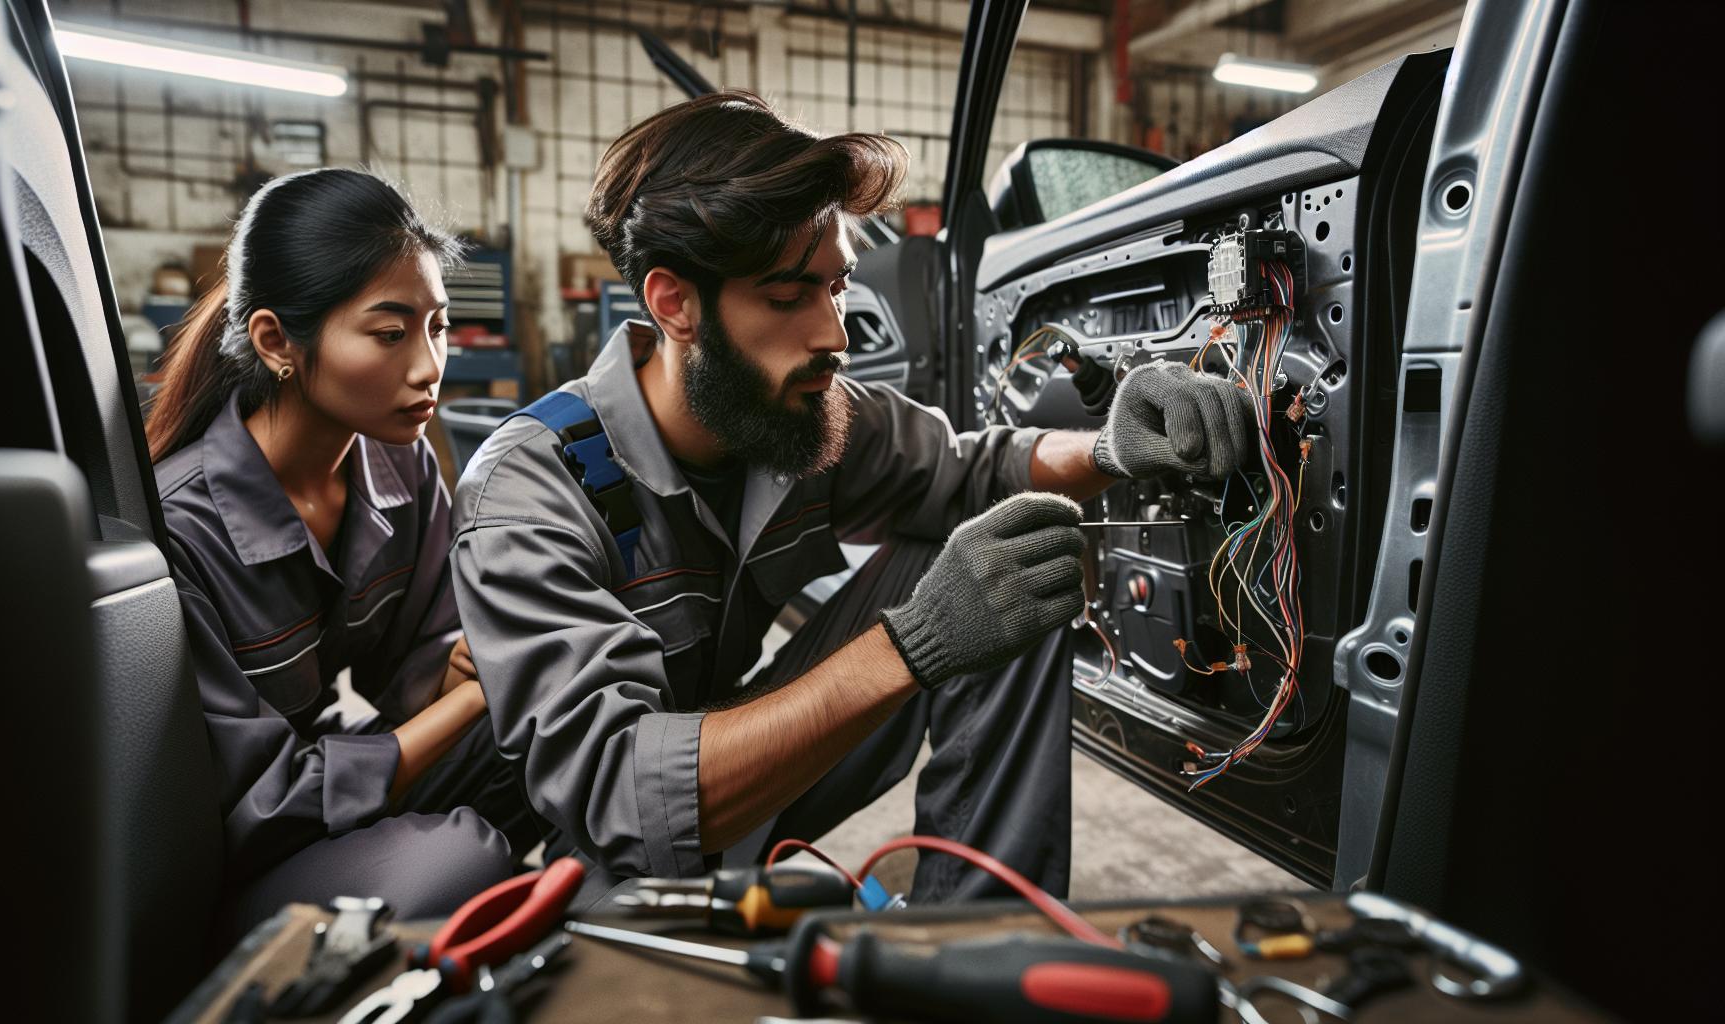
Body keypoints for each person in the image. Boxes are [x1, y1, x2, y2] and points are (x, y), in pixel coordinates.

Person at [450, 93, 1251, 903]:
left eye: (836, 287)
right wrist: (916, 645)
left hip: (746, 768)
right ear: (674, 303)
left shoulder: (795, 413)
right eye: (790, 296)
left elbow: (973, 470)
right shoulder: (531, 491)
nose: (832, 332)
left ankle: (982, 938)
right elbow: (620, 799)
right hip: (599, 848)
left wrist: (1113, 447)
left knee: (1014, 558)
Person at [146, 169, 538, 939]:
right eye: (390, 334)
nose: (430, 368)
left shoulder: (404, 465)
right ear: (275, 341)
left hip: (342, 787)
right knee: (461, 855)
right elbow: (262, 801)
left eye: (439, 326)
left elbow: (429, 662)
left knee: (564, 719)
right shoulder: (182, 530)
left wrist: (465, 670)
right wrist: (467, 697)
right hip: (236, 859)